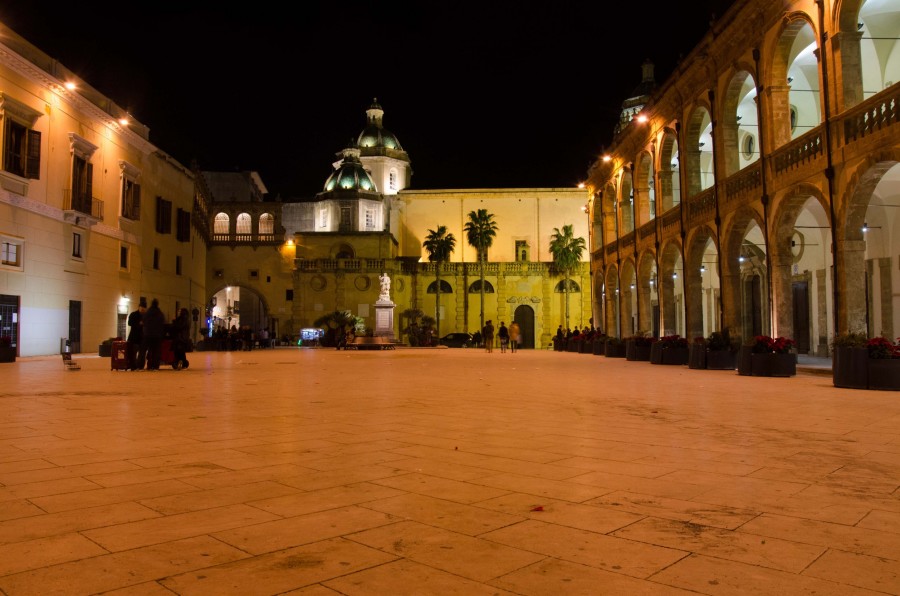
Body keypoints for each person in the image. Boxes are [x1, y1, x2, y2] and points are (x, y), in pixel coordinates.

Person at [141, 298, 166, 371]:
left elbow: (144, 321)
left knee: (143, 350)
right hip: (157, 336)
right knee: (156, 351)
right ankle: (155, 366)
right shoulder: (160, 313)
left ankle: (141, 365)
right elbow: (162, 323)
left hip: (147, 334)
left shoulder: (148, 312)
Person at [127, 298, 146, 370]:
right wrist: (139, 324)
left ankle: (140, 366)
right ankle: (133, 366)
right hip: (134, 337)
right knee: (133, 353)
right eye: (141, 307)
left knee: (141, 354)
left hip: (142, 338)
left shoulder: (146, 316)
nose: (142, 309)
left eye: (144, 308)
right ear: (139, 307)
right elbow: (130, 323)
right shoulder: (133, 314)